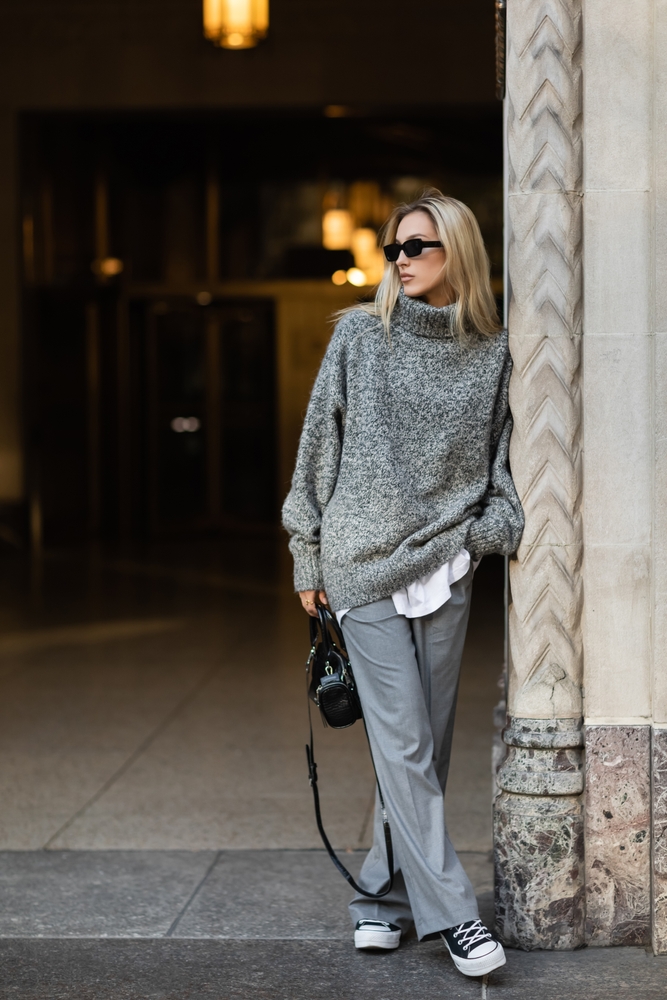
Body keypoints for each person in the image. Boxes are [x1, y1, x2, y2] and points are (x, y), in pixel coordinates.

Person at [282, 189, 523, 979]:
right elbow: (318, 446)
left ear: (459, 253)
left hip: (444, 565)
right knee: (406, 745)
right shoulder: (359, 334)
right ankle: (454, 919)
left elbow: (503, 468)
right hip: (361, 566)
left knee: (427, 749)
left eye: (417, 247)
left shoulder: (491, 350)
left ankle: (377, 901)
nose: (401, 261)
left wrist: (483, 536)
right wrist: (306, 554)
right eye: (394, 249)